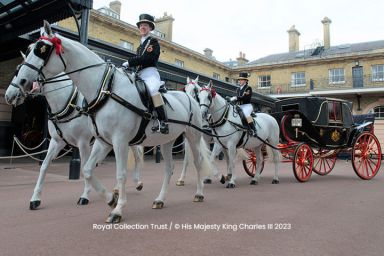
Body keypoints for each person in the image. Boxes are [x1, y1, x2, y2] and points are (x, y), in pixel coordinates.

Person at [122, 13, 168, 134]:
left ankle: (163, 121)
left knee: (153, 91)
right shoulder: (140, 46)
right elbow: (139, 59)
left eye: (145, 25)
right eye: (141, 25)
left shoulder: (153, 42)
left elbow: (147, 59)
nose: (143, 27)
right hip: (139, 74)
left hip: (150, 73)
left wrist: (129, 62)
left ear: (150, 28)